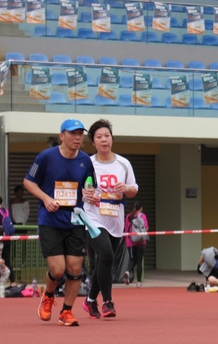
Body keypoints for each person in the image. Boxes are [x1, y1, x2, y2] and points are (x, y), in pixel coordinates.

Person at [24, 118, 98, 327]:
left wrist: (90, 194)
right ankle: (48, 295)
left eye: (80, 134)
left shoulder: (85, 160)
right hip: (50, 220)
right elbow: (28, 181)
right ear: (62, 136)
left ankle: (66, 311)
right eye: (73, 133)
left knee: (75, 269)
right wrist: (46, 198)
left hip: (75, 219)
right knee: (58, 270)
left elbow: (90, 186)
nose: (77, 138)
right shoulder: (46, 157)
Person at [82, 119, 138, 319]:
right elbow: (79, 189)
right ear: (93, 142)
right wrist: (86, 195)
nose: (104, 140)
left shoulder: (123, 164)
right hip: (92, 216)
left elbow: (133, 189)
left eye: (107, 136)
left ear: (112, 139)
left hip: (115, 217)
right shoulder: (87, 163)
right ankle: (107, 302)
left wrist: (126, 188)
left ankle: (90, 300)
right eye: (99, 137)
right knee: (106, 255)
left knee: (104, 261)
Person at [0, 195, 17, 287]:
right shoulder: (6, 210)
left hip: (0, 239)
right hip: (8, 238)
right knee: (7, 260)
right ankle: (13, 283)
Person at [124, 200, 148, 288]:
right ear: (141, 208)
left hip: (130, 242)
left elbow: (126, 229)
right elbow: (146, 227)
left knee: (132, 260)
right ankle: (138, 282)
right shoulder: (142, 216)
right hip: (141, 241)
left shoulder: (128, 216)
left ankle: (127, 272)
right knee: (139, 262)